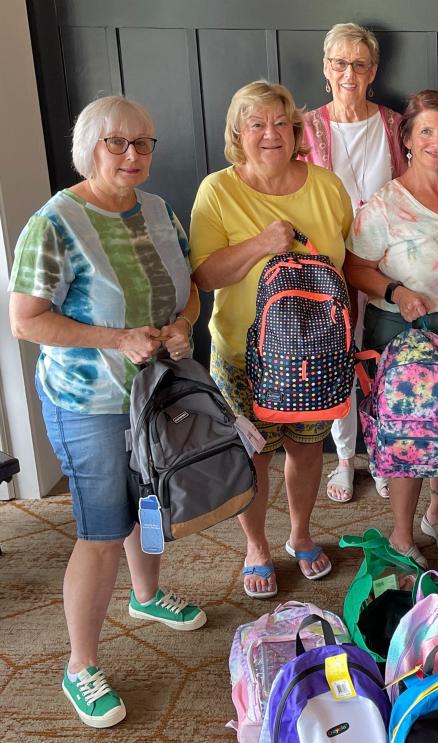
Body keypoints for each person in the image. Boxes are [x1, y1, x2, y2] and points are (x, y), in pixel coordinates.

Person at [8, 96, 205, 729]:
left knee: (148, 500)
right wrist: (115, 339)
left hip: (153, 392)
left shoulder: (158, 210)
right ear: (88, 148)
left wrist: (181, 325)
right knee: (100, 529)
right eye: (117, 144)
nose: (132, 155)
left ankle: (146, 596)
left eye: (143, 144)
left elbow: (192, 287)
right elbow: (25, 320)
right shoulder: (55, 223)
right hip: (88, 402)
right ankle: (79, 664)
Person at [190, 81, 352, 599]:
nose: (270, 133)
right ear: (238, 134)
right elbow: (204, 276)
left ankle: (300, 534)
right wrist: (262, 244)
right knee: (252, 455)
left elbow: (349, 263)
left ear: (297, 130)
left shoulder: (327, 186)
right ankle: (257, 546)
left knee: (307, 451)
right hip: (244, 355)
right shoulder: (218, 190)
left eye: (281, 122)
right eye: (256, 124)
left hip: (317, 355)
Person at [345, 90, 438, 567]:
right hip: (403, 332)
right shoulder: (385, 205)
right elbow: (354, 266)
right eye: (426, 131)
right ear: (407, 139)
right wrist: (394, 291)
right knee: (411, 434)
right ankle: (401, 533)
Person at [301, 22, 405, 503]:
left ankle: (383, 451)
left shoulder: (395, 124)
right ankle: (345, 457)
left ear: (373, 71)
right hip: (328, 262)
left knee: (383, 355)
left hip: (385, 259)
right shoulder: (305, 127)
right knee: (337, 356)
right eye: (340, 63)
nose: (349, 72)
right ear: (326, 68)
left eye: (359, 64)